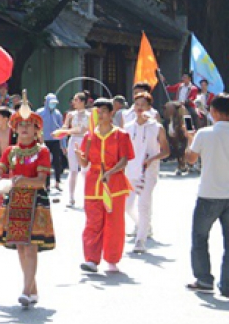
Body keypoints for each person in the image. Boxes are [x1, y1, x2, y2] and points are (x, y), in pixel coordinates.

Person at [0, 106, 55, 308]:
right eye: (20, 125)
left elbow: (40, 181)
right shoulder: (10, 151)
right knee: (21, 247)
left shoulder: (42, 151)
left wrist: (21, 180)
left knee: (31, 246)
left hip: (35, 202)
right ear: (15, 129)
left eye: (28, 125)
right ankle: (32, 289)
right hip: (15, 202)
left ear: (36, 130)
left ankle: (25, 290)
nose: (24, 128)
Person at [76, 98, 133, 273]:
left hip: (114, 183)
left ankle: (112, 259)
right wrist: (79, 155)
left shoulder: (121, 135)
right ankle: (91, 259)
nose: (99, 115)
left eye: (102, 112)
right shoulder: (89, 136)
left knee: (114, 224)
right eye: (96, 112)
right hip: (93, 184)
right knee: (93, 222)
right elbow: (85, 163)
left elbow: (124, 160)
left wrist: (110, 172)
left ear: (110, 113)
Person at [185, 93, 229, 297]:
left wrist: (189, 140)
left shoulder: (204, 133)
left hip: (209, 193)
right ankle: (227, 285)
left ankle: (204, 279)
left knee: (200, 237)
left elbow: (191, 160)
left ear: (214, 112)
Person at [124, 92, 169, 253]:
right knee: (127, 206)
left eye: (143, 105)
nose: (139, 108)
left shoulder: (157, 127)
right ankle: (144, 225)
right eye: (137, 104)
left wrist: (152, 159)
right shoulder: (128, 128)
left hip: (149, 172)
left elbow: (166, 151)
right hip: (130, 171)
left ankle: (140, 240)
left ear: (150, 108)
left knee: (144, 204)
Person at [58, 92, 90, 207]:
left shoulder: (89, 115)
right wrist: (60, 132)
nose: (73, 102)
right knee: (73, 170)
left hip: (85, 141)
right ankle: (71, 197)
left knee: (85, 170)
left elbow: (86, 129)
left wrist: (68, 131)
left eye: (76, 100)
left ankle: (87, 197)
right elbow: (65, 127)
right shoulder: (70, 114)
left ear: (82, 102)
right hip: (73, 141)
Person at [37, 94, 66, 192]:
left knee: (57, 162)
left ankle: (57, 182)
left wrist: (63, 144)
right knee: (46, 163)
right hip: (44, 140)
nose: (53, 105)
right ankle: (47, 184)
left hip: (55, 141)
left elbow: (61, 128)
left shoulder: (57, 113)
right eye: (51, 103)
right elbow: (37, 126)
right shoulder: (40, 112)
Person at [163, 101, 189, 175]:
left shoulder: (192, 89)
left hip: (185, 105)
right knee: (165, 123)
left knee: (193, 113)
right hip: (175, 104)